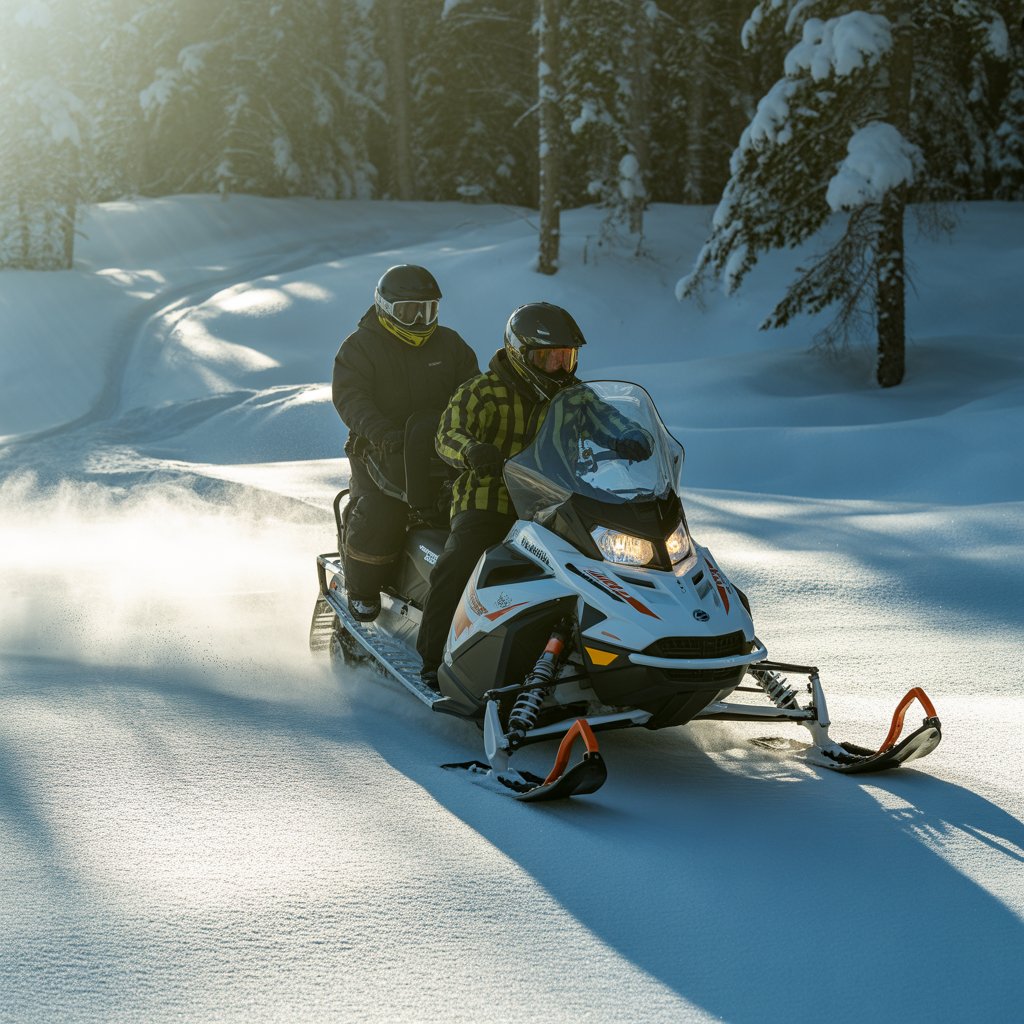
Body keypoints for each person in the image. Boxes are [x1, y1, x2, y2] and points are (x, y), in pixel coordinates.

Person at [415, 301, 652, 689]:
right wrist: (472, 451)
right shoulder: (483, 391)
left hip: (556, 500)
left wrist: (632, 437)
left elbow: (611, 420)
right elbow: (447, 434)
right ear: (519, 353)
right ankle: (434, 659)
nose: (559, 366)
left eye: (566, 357)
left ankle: (621, 653)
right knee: (460, 561)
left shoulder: (576, 397)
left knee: (611, 562)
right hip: (489, 496)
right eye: (548, 357)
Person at [332, 264, 479, 622]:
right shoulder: (361, 347)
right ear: (385, 308)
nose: (418, 321)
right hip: (382, 453)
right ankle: (363, 589)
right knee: (382, 514)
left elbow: (474, 392)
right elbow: (351, 397)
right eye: (408, 311)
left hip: (446, 449)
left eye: (427, 310)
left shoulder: (451, 344)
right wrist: (380, 432)